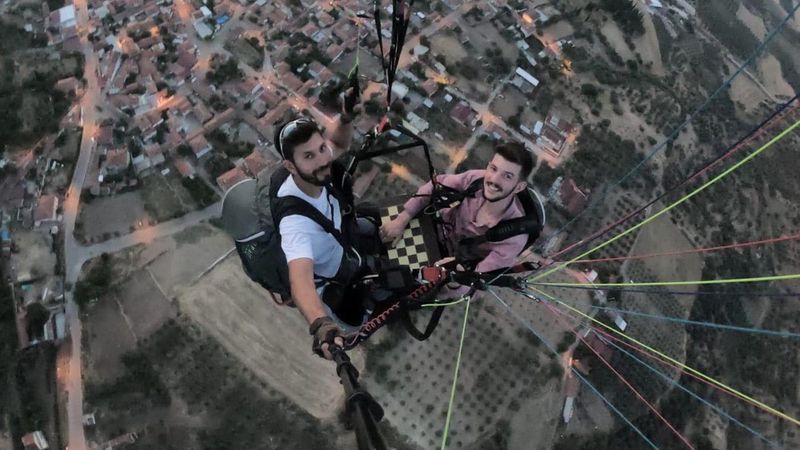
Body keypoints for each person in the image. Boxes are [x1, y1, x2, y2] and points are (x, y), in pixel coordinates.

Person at [273, 113, 380, 360]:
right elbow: (300, 282)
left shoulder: (316, 171)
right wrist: (320, 324)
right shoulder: (295, 224)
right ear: (290, 166)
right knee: (361, 313)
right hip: (335, 275)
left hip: (342, 240)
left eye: (321, 149)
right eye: (309, 156)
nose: (323, 160)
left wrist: (345, 117)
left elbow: (340, 144)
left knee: (373, 220)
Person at [379, 142, 534, 275]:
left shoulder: (513, 238)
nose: (494, 179)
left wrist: (455, 278)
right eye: (493, 169)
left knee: (385, 279)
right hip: (428, 229)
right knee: (367, 225)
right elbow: (437, 184)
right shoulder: (476, 180)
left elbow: (476, 280)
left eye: (507, 176)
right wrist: (404, 217)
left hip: (448, 266)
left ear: (519, 186)